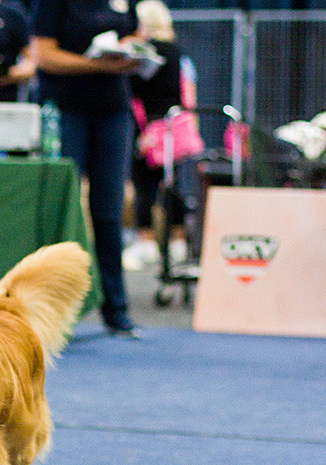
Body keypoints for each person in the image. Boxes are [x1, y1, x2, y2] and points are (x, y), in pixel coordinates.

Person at [31, 0, 141, 336]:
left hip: (113, 111)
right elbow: (43, 55)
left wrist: (132, 51)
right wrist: (95, 65)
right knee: (60, 208)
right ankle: (45, 311)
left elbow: (135, 35)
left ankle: (116, 309)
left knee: (109, 211)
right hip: (65, 111)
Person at [126, 0, 200, 268]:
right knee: (173, 185)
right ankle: (178, 240)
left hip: (151, 130)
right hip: (173, 129)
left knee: (145, 187)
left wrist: (144, 132)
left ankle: (146, 242)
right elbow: (187, 93)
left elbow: (136, 95)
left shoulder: (142, 54)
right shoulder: (180, 55)